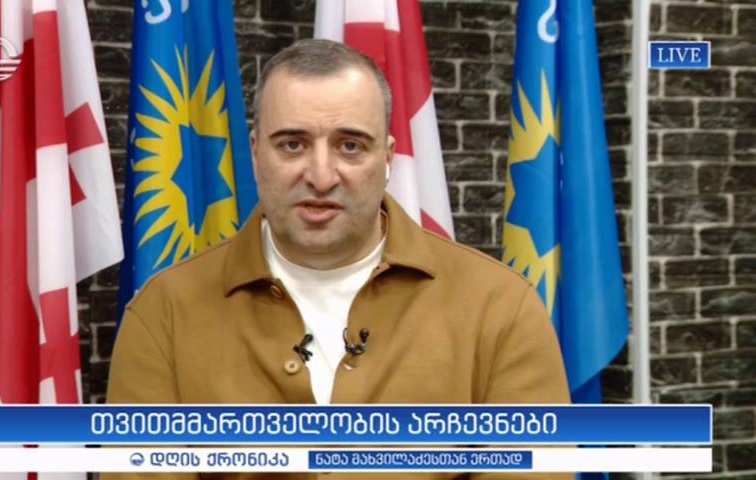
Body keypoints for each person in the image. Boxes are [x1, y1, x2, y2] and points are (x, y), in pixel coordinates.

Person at [106, 39, 570, 479]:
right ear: (255, 155)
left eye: (351, 145)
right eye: (292, 144)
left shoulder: (500, 308)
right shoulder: (163, 314)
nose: (322, 176)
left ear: (387, 159)